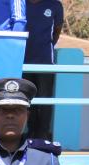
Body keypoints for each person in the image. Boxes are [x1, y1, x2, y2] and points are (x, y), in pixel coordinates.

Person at [22, 0, 63, 140]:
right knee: (27, 98)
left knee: (45, 98)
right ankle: (31, 131)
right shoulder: (20, 4)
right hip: (23, 61)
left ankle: (43, 133)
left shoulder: (54, 5)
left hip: (45, 61)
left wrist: (46, 47)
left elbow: (57, 31)